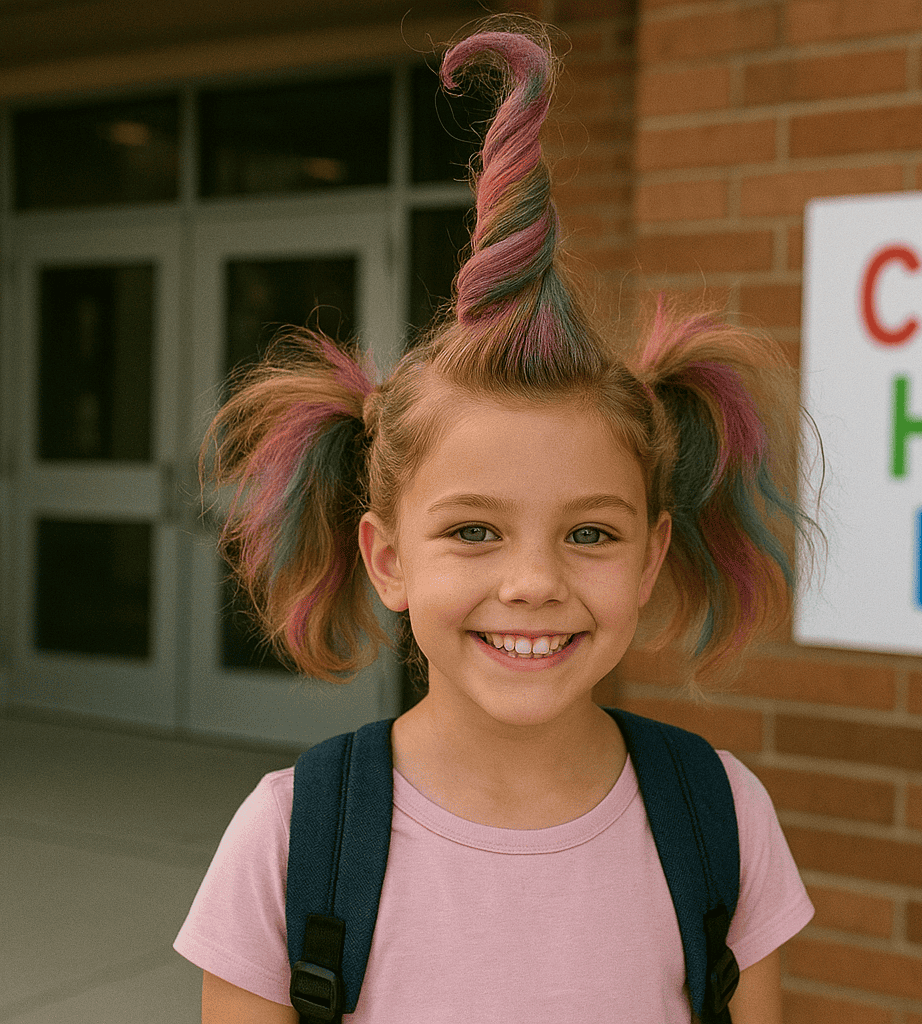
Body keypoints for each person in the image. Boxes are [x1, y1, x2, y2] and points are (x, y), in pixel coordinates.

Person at [174, 21, 818, 1024]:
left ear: (651, 556)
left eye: (590, 534)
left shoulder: (719, 817)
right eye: (474, 531)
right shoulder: (293, 840)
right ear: (387, 557)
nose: (533, 582)